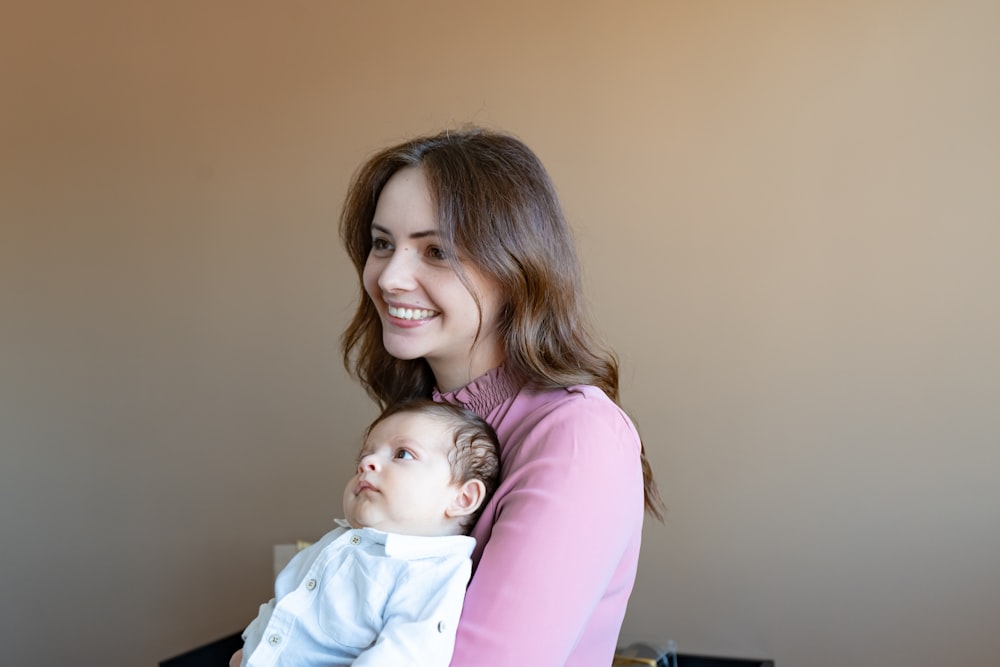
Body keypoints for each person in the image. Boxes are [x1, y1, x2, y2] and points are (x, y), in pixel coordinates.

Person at [339, 126, 664, 667]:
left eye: (436, 250)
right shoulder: (422, 422)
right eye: (382, 244)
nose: (391, 277)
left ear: (515, 268)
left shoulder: (577, 435)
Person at [232, 399, 501, 667]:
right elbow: (287, 599)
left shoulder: (430, 571)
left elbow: (402, 655)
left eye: (402, 454)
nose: (367, 463)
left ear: (462, 498)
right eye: (363, 458)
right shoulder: (337, 541)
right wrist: (252, 644)